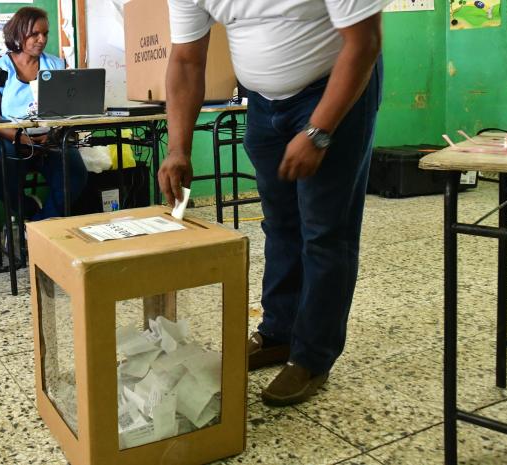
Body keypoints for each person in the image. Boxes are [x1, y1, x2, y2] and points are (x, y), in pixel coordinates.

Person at [159, 0, 384, 406]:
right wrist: (178, 148)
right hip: (263, 102)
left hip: (336, 85)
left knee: (325, 230)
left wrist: (318, 131)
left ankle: (312, 356)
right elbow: (187, 61)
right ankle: (279, 333)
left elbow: (364, 42)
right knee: (280, 224)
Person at [0, 6, 88, 227]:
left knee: (75, 173)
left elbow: (66, 108)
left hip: (49, 138)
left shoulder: (55, 65)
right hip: (12, 139)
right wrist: (20, 138)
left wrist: (53, 134)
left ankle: (40, 225)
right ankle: (27, 211)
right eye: (35, 34)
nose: (42, 39)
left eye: (45, 34)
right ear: (18, 34)